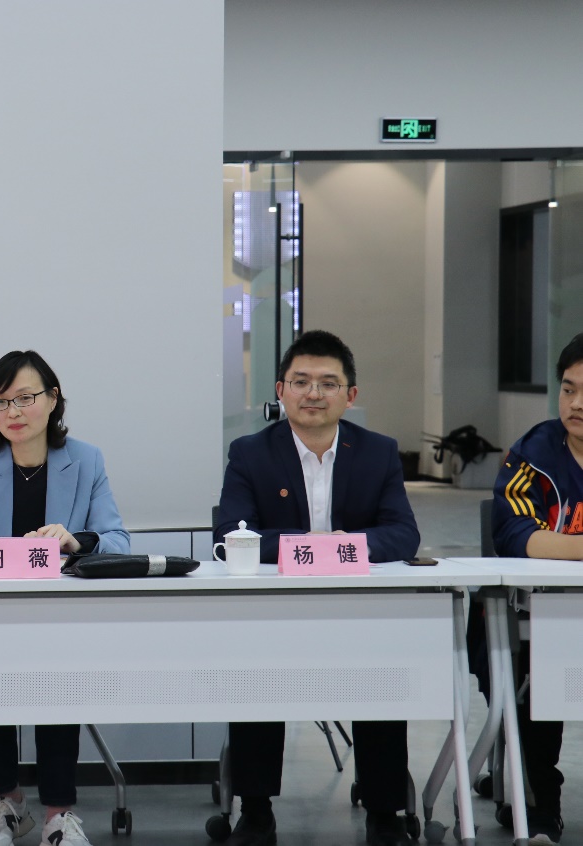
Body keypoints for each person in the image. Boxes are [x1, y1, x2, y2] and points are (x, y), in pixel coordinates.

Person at [214, 330, 420, 846]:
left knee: (382, 667)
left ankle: (384, 812)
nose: (313, 394)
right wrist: (313, 546)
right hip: (273, 610)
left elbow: (403, 534)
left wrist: (339, 547)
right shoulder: (250, 453)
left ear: (350, 395)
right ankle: (255, 812)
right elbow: (233, 535)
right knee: (255, 667)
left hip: (359, 610)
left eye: (328, 383)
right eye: (301, 382)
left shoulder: (377, 452)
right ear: (280, 391)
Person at [0, 350, 129, 846]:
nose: (13, 412)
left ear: (53, 399)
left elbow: (117, 541)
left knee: (57, 670)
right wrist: (13, 552)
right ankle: (8, 801)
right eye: (0, 401)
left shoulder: (86, 460)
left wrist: (75, 541)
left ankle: (58, 815)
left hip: (61, 618)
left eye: (25, 398)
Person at [485, 331, 583, 844]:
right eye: (568, 389)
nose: (577, 404)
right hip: (538, 615)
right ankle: (539, 803)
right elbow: (518, 537)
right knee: (537, 676)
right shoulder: (534, 452)